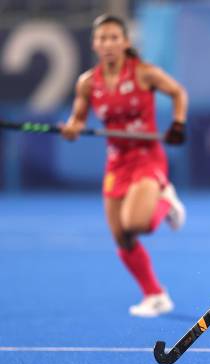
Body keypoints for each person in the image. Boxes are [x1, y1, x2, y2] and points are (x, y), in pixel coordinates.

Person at [61, 14, 188, 317]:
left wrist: (178, 123)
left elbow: (177, 92)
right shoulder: (87, 83)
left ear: (125, 42)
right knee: (121, 236)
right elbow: (78, 119)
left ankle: (165, 201)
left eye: (114, 37)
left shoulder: (143, 73)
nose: (107, 43)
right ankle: (155, 295)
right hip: (116, 162)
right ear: (94, 43)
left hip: (147, 156)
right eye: (102, 38)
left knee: (137, 224)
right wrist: (72, 127)